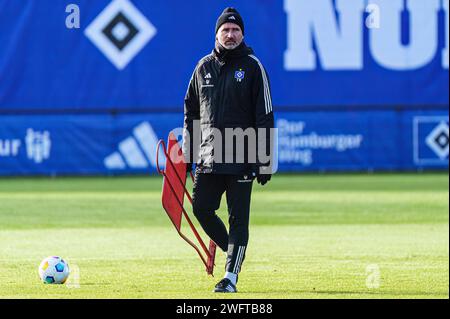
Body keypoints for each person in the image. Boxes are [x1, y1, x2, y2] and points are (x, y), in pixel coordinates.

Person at [182, 7, 274, 293]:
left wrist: (265, 160)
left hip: (242, 158)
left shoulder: (253, 66)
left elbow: (265, 114)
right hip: (208, 159)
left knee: (238, 219)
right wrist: (188, 154)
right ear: (217, 34)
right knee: (201, 209)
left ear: (243, 34)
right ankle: (233, 252)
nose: (230, 35)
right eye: (226, 30)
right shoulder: (202, 67)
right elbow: (191, 113)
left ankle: (230, 277)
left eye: (235, 30)